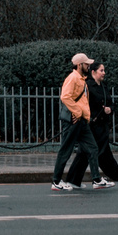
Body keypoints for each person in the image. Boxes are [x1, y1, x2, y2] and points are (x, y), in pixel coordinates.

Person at [65, 61, 118, 190]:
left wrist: (109, 109)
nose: (104, 73)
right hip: (92, 125)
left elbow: (111, 103)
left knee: (85, 153)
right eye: (101, 70)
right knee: (101, 152)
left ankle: (73, 180)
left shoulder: (103, 87)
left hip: (102, 125)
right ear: (93, 72)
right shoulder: (87, 86)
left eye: (104, 70)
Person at [50, 53, 95, 193]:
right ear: (79, 64)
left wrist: (84, 116)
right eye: (86, 63)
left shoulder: (81, 79)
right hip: (73, 121)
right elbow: (65, 96)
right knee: (66, 150)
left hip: (81, 121)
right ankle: (56, 181)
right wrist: (77, 112)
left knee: (92, 147)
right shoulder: (73, 78)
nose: (88, 65)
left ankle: (95, 179)